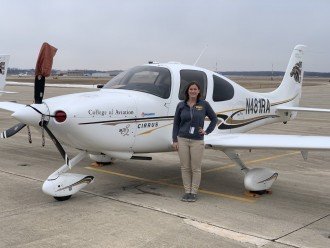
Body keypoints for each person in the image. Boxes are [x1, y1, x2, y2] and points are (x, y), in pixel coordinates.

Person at [172, 81, 218, 202]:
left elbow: (214, 119)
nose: (193, 91)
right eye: (191, 89)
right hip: (182, 139)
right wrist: (174, 140)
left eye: (195, 89)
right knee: (185, 167)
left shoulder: (204, 105)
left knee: (196, 168)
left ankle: (194, 192)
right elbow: (176, 123)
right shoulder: (181, 105)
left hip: (197, 140)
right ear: (187, 91)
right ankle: (187, 191)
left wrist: (207, 131)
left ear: (198, 91)